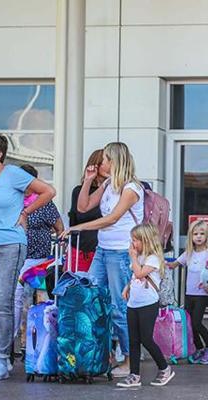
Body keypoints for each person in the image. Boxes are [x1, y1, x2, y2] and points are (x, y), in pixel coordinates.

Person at [0, 133, 55, 380]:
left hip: (8, 244)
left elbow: (48, 191)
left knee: (1, 302)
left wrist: (25, 212)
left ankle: (2, 358)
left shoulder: (14, 174)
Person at [63, 141, 143, 378]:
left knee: (119, 307)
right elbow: (83, 207)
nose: (101, 163)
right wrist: (88, 180)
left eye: (106, 159)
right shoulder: (108, 184)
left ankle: (129, 360)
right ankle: (100, 354)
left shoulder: (131, 188)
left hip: (120, 252)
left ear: (115, 161)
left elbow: (112, 219)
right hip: (103, 249)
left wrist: (78, 228)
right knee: (91, 299)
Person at [116, 223, 175, 387]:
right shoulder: (140, 258)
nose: (133, 243)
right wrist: (127, 287)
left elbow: (140, 273)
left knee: (146, 339)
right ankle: (134, 374)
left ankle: (164, 367)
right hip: (133, 303)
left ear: (146, 240)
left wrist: (133, 257)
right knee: (133, 340)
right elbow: (134, 276)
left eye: (136, 240)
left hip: (148, 303)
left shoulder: (153, 258)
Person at [13, 164, 64, 343]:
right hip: (15, 256)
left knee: (32, 297)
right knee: (16, 296)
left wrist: (58, 256)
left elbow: (59, 228)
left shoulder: (44, 203)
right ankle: (11, 339)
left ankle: (34, 339)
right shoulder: (13, 200)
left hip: (38, 260)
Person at [167, 219, 208, 364]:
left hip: (202, 294)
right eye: (195, 234)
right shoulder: (188, 253)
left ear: (207, 236)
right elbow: (174, 264)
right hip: (189, 294)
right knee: (189, 324)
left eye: (202, 234)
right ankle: (199, 348)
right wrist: (161, 263)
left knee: (197, 323)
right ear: (191, 236)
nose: (198, 237)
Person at [67, 149, 106, 272]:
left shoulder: (114, 191)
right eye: (105, 162)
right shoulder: (79, 191)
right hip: (81, 247)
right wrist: (87, 181)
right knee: (78, 281)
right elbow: (75, 217)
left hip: (104, 247)